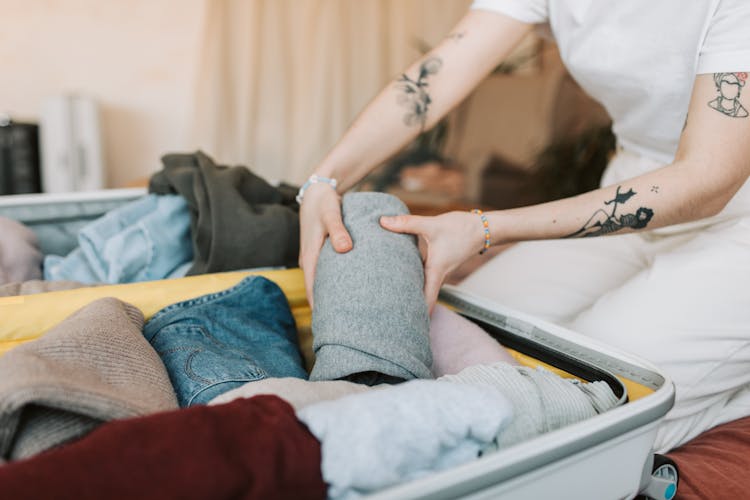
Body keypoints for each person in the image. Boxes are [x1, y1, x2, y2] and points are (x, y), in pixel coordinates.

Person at [296, 0, 750, 453]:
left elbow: (707, 180)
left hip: (735, 217)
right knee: (470, 321)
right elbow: (437, 75)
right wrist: (322, 181)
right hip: (633, 187)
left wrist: (486, 228)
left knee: (600, 398)